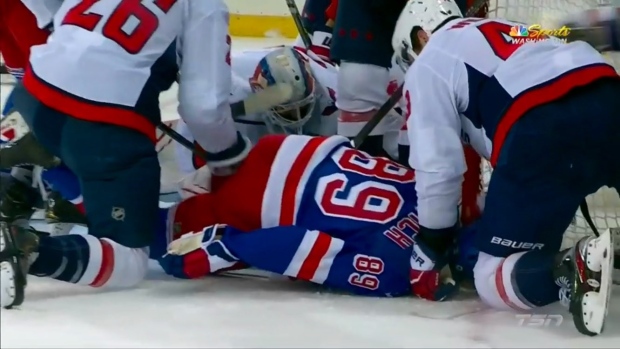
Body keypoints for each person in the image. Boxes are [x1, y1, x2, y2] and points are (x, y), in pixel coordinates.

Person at [0, 0, 251, 309]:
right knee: (130, 260)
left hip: (34, 94)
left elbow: (48, 10)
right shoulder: (204, 5)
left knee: (61, 139)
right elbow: (204, 108)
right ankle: (28, 249)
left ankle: (29, 169)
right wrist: (227, 155)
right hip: (103, 126)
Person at [391, 0, 620, 336]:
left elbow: (438, 166)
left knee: (491, 276)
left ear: (421, 36)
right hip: (608, 94)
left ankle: (569, 267)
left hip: (541, 127)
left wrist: (432, 242)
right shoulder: (513, 29)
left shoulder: (429, 61)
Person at [153, 133, 482, 297]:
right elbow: (297, 246)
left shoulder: (449, 192)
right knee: (148, 233)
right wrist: (226, 248)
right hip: (261, 203)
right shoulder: (399, 270)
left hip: (286, 148)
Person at [175, 46, 339, 176]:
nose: (297, 118)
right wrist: (197, 174)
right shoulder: (227, 92)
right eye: (287, 112)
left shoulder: (334, 91)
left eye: (302, 108)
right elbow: (194, 119)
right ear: (257, 89)